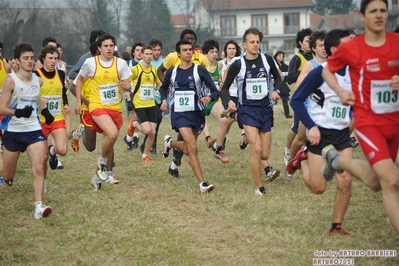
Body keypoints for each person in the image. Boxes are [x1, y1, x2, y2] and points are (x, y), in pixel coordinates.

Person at [322, 0, 399, 233]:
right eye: (373, 11)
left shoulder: (397, 43)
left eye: (383, 10)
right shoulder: (351, 48)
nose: (379, 15)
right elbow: (327, 70)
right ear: (362, 17)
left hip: (395, 121)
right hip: (368, 122)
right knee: (391, 180)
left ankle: (336, 161)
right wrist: (341, 91)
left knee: (377, 182)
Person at [290, 29, 353, 236]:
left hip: (342, 134)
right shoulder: (320, 71)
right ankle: (303, 159)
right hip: (320, 133)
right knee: (319, 188)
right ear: (335, 49)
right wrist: (312, 126)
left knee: (345, 180)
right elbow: (296, 100)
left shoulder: (356, 73)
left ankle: (337, 226)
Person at [221, 27, 281, 195]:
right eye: (252, 42)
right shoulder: (237, 64)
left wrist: (276, 90)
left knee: (265, 153)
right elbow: (224, 88)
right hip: (247, 110)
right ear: (244, 45)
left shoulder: (267, 60)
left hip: (265, 110)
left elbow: (277, 77)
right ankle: (259, 186)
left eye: (257, 42)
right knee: (257, 149)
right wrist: (230, 101)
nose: (255, 45)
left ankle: (248, 140)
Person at [0, 43, 53, 219]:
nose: (30, 61)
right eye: (25, 58)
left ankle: (39, 206)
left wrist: (45, 111)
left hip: (33, 129)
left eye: (31, 58)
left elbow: (34, 99)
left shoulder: (38, 80)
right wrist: (17, 112)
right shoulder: (10, 80)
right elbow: (1, 108)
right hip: (13, 131)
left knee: (39, 166)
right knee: (7, 176)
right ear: (17, 61)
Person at [74, 33, 132, 191]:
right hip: (97, 106)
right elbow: (79, 79)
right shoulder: (90, 62)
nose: (109, 49)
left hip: (115, 108)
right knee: (112, 133)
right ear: (99, 48)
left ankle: (95, 177)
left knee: (109, 141)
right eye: (105, 46)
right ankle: (102, 164)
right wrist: (79, 101)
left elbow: (128, 83)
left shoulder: (120, 63)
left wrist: (127, 87)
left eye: (111, 46)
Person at [159, 39, 217, 192]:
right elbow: (163, 88)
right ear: (178, 53)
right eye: (184, 50)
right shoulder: (172, 72)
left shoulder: (200, 70)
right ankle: (202, 183)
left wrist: (209, 97)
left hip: (196, 113)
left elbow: (215, 90)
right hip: (179, 113)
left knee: (187, 149)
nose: (188, 52)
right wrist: (164, 100)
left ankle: (170, 143)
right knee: (192, 147)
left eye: (190, 49)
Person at [285, 30, 327, 181]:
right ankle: (292, 162)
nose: (324, 48)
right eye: (321, 45)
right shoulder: (310, 65)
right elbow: (297, 88)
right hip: (309, 106)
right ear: (314, 48)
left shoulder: (332, 64)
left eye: (325, 45)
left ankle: (317, 164)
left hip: (327, 109)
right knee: (301, 139)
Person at [69, 29, 105, 153]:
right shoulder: (87, 59)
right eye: (101, 42)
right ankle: (77, 132)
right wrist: (83, 81)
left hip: (104, 105)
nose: (104, 46)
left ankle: (107, 164)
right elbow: (73, 74)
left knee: (109, 134)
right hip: (87, 105)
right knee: (90, 146)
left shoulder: (109, 60)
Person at [123, 44, 161, 162]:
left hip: (151, 104)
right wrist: (127, 88)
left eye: (151, 54)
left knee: (153, 132)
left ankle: (145, 155)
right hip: (139, 105)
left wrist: (162, 92)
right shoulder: (136, 69)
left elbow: (159, 84)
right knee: (147, 130)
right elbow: (126, 81)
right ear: (142, 55)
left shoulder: (154, 70)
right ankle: (134, 124)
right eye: (147, 54)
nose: (149, 56)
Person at [34, 45, 69, 170]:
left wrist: (66, 104)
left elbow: (63, 91)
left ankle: (52, 152)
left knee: (63, 150)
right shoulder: (36, 75)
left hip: (57, 118)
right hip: (40, 120)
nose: (53, 61)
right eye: (50, 58)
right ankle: (42, 183)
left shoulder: (60, 74)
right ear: (43, 59)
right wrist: (39, 101)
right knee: (42, 157)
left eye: (55, 58)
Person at [284, 28, 313, 166]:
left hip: (314, 97)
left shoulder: (316, 56)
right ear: (300, 42)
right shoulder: (297, 58)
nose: (309, 43)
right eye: (307, 41)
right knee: (296, 128)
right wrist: (305, 71)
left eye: (311, 41)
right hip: (301, 97)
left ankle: (305, 157)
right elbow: (289, 78)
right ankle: (288, 150)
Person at [201, 39, 230, 163]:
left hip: (213, 99)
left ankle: (218, 149)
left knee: (224, 120)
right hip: (200, 100)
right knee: (191, 135)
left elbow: (221, 81)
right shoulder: (200, 67)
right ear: (205, 53)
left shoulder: (219, 65)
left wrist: (221, 85)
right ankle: (173, 148)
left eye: (216, 52)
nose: (214, 54)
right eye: (211, 52)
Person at [138, 38, 164, 155]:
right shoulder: (142, 63)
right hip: (145, 100)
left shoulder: (164, 63)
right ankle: (150, 145)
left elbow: (163, 80)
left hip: (158, 98)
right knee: (155, 120)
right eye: (154, 50)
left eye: (159, 50)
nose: (156, 52)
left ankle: (147, 144)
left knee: (156, 122)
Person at [273, 51, 292, 118]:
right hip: (275, 85)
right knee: (272, 101)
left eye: (282, 56)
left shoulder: (285, 66)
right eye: (279, 56)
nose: (281, 57)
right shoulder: (273, 66)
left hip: (283, 85)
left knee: (285, 100)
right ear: (276, 57)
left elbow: (288, 76)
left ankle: (287, 114)